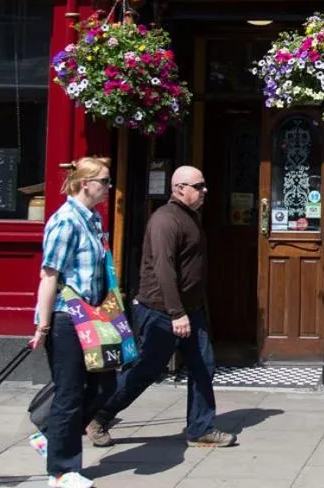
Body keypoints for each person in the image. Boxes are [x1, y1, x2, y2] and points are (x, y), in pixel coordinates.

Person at [86, 165, 235, 449]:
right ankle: (98, 417)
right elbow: (164, 269)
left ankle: (200, 427)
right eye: (199, 186)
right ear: (179, 189)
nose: (205, 191)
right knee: (144, 371)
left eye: (203, 185)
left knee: (204, 366)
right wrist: (177, 313)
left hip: (190, 310)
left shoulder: (189, 216)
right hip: (161, 312)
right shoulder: (165, 220)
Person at [28, 157, 118, 488]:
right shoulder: (65, 222)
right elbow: (49, 276)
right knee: (70, 391)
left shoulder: (93, 218)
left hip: (93, 316)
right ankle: (62, 470)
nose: (109, 188)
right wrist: (43, 325)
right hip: (67, 317)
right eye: (105, 182)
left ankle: (51, 437)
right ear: (85, 184)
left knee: (105, 385)